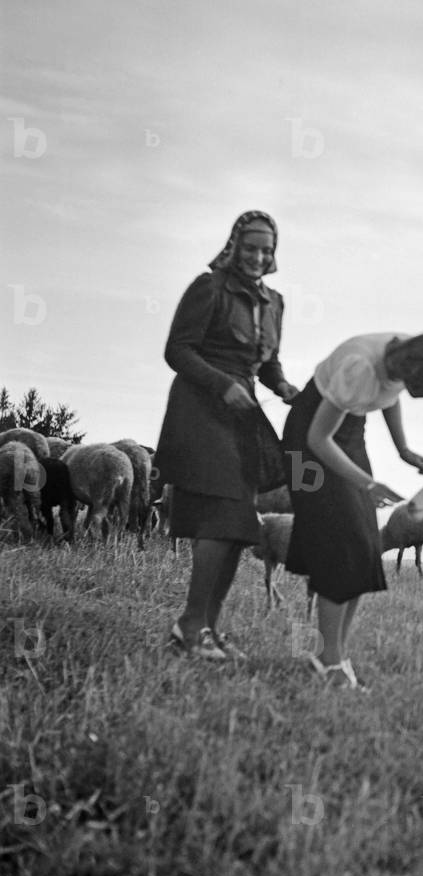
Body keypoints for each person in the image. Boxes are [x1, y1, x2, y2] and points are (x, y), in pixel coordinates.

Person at [156, 211, 300, 660]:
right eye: (251, 246)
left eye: (267, 249)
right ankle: (190, 626)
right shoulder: (209, 287)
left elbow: (269, 362)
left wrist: (282, 387)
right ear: (235, 246)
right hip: (201, 410)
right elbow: (176, 350)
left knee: (239, 526)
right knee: (221, 518)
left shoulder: (275, 301)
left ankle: (208, 629)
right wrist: (221, 384)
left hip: (243, 414)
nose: (259, 256)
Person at [282, 332, 423, 687]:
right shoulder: (360, 368)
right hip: (309, 444)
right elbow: (317, 439)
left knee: (365, 545)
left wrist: (402, 450)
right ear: (416, 368)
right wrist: (366, 483)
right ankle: (328, 661)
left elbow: (390, 394)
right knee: (341, 544)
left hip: (347, 432)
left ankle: (336, 656)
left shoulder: (403, 355)